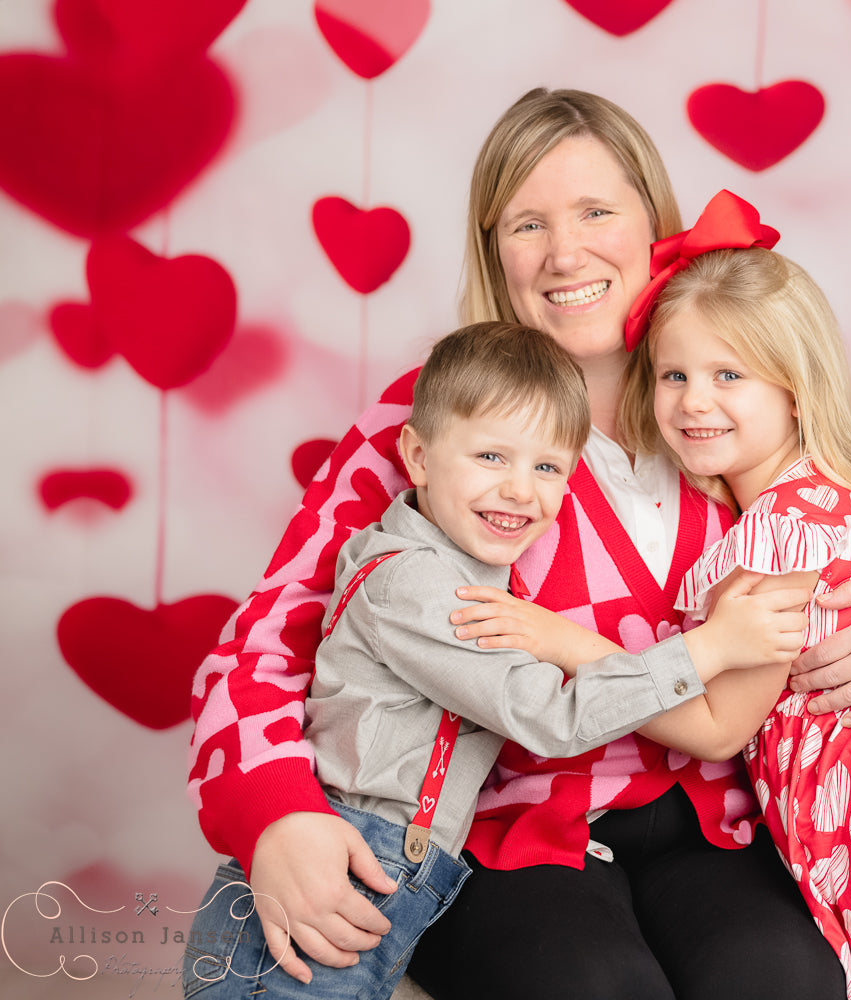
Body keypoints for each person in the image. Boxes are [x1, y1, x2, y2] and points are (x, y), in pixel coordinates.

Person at [187, 88, 851, 1000]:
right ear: (491, 251)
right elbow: (266, 643)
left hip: (719, 834)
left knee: (783, 984)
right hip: (508, 843)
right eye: (526, 225)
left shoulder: (730, 391)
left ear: (652, 223)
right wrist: (276, 818)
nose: (564, 252)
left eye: (596, 211)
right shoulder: (437, 413)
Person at [510, 190, 851, 999]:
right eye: (673, 375)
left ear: (795, 391)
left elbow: (715, 727)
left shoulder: (776, 539)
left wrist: (561, 642)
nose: (694, 401)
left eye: (728, 375)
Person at [181, 322, 808, 999]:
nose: (519, 491)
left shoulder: (470, 571)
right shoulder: (416, 586)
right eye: (490, 458)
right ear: (416, 457)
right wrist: (708, 648)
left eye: (547, 468)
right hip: (345, 865)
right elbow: (551, 716)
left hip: (407, 878)